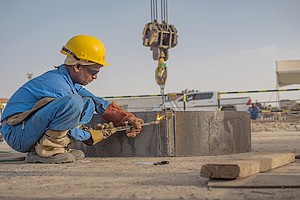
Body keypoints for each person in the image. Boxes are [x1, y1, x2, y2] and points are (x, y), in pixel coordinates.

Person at [0, 35, 144, 164]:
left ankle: (55, 147)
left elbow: (98, 102)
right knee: (74, 102)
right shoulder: (58, 85)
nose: (95, 77)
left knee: (88, 101)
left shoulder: (69, 83)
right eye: (93, 71)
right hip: (16, 133)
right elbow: (68, 126)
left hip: (27, 128)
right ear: (77, 66)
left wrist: (127, 118)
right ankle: (48, 151)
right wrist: (90, 135)